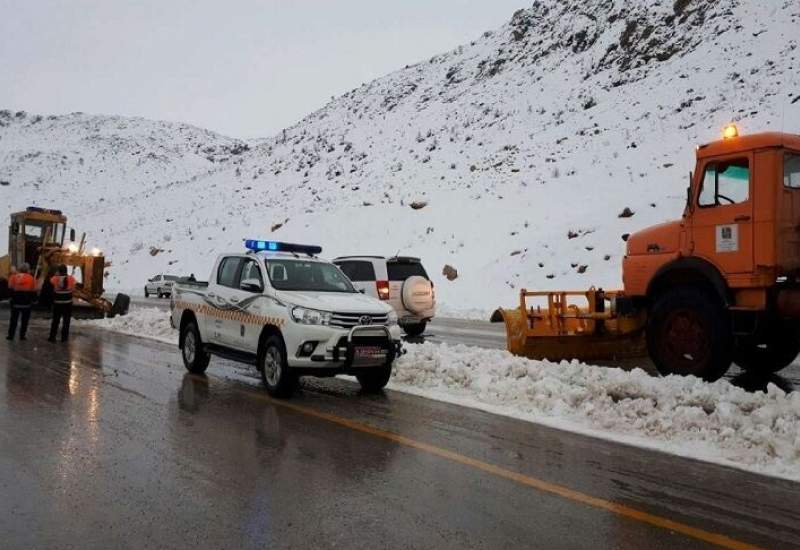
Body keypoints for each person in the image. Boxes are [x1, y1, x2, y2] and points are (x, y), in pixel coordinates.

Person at [7, 263, 36, 341]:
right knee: (25, 320)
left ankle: (10, 335)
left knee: (13, 319)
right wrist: (33, 300)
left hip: (16, 301)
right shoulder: (31, 278)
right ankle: (22, 336)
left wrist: (11, 298)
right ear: (27, 269)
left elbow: (10, 289)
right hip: (26, 303)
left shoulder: (13, 277)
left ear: (19, 269)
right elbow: (33, 291)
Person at [49, 265, 76, 343]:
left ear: (59, 271)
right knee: (66, 321)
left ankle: (52, 337)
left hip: (57, 303)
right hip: (68, 303)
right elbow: (73, 289)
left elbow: (50, 281)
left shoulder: (55, 278)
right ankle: (64, 338)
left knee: (55, 321)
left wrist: (56, 274)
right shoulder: (71, 278)